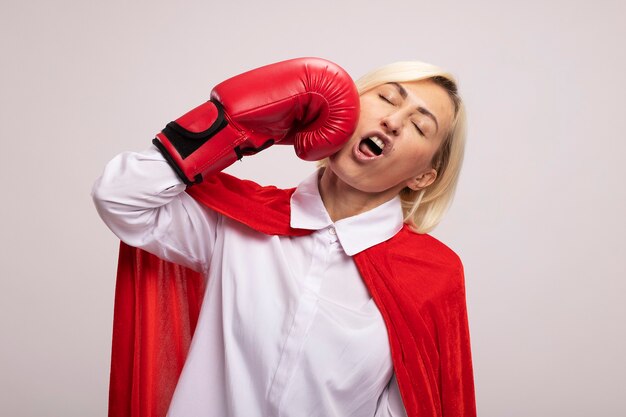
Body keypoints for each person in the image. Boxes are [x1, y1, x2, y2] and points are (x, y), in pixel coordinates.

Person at [93, 57, 475, 417]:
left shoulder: (431, 276)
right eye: (387, 99)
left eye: (420, 126)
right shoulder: (237, 220)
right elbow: (120, 197)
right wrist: (231, 128)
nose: (393, 120)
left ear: (423, 177)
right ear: (348, 110)